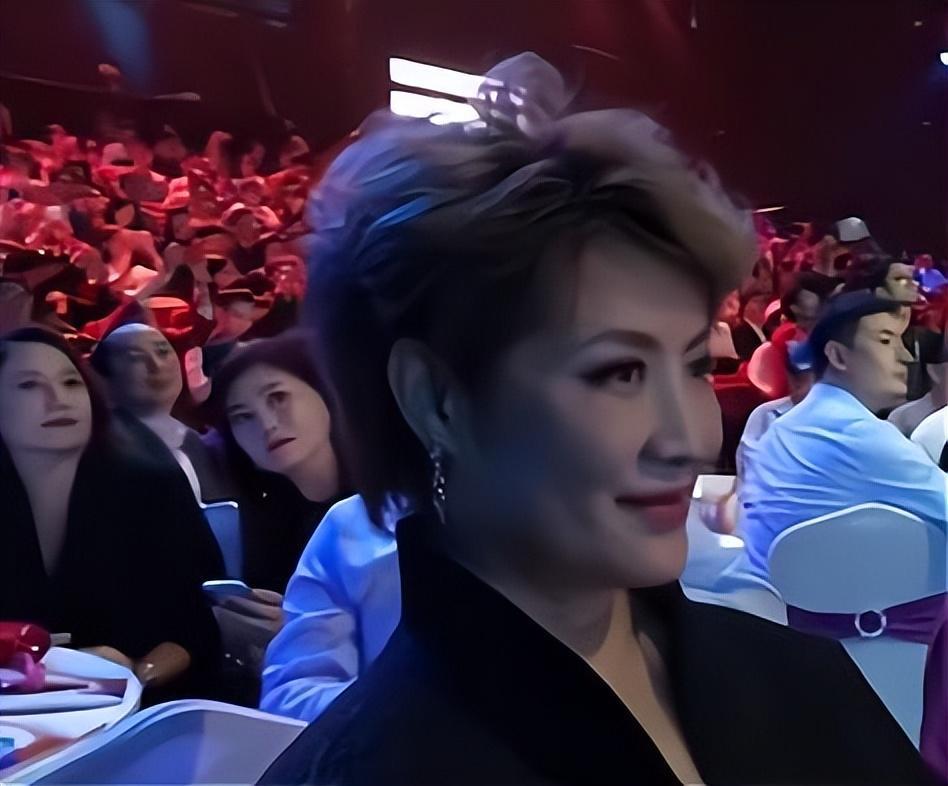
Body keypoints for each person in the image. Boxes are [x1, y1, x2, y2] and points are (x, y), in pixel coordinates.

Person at [262, 54, 934, 786]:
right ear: (437, 400)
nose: (691, 440)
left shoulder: (796, 678)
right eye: (619, 373)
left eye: (694, 366)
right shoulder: (365, 769)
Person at [0, 326, 220, 699]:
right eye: (29, 385)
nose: (58, 399)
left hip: (137, 709)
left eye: (71, 383)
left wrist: (134, 673)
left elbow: (195, 628)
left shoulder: (148, 481)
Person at [740, 291, 947, 580]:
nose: (906, 356)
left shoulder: (783, 428)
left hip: (774, 595)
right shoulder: (860, 435)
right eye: (886, 341)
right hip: (845, 602)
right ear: (837, 355)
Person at [210, 330, 348, 592]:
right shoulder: (260, 529)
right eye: (243, 416)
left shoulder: (393, 498)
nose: (267, 425)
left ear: (324, 392)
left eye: (278, 397)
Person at [731, 287, 770, 361]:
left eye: (764, 302)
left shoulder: (767, 330)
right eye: (756, 301)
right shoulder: (740, 331)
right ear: (745, 307)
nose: (762, 305)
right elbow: (749, 358)